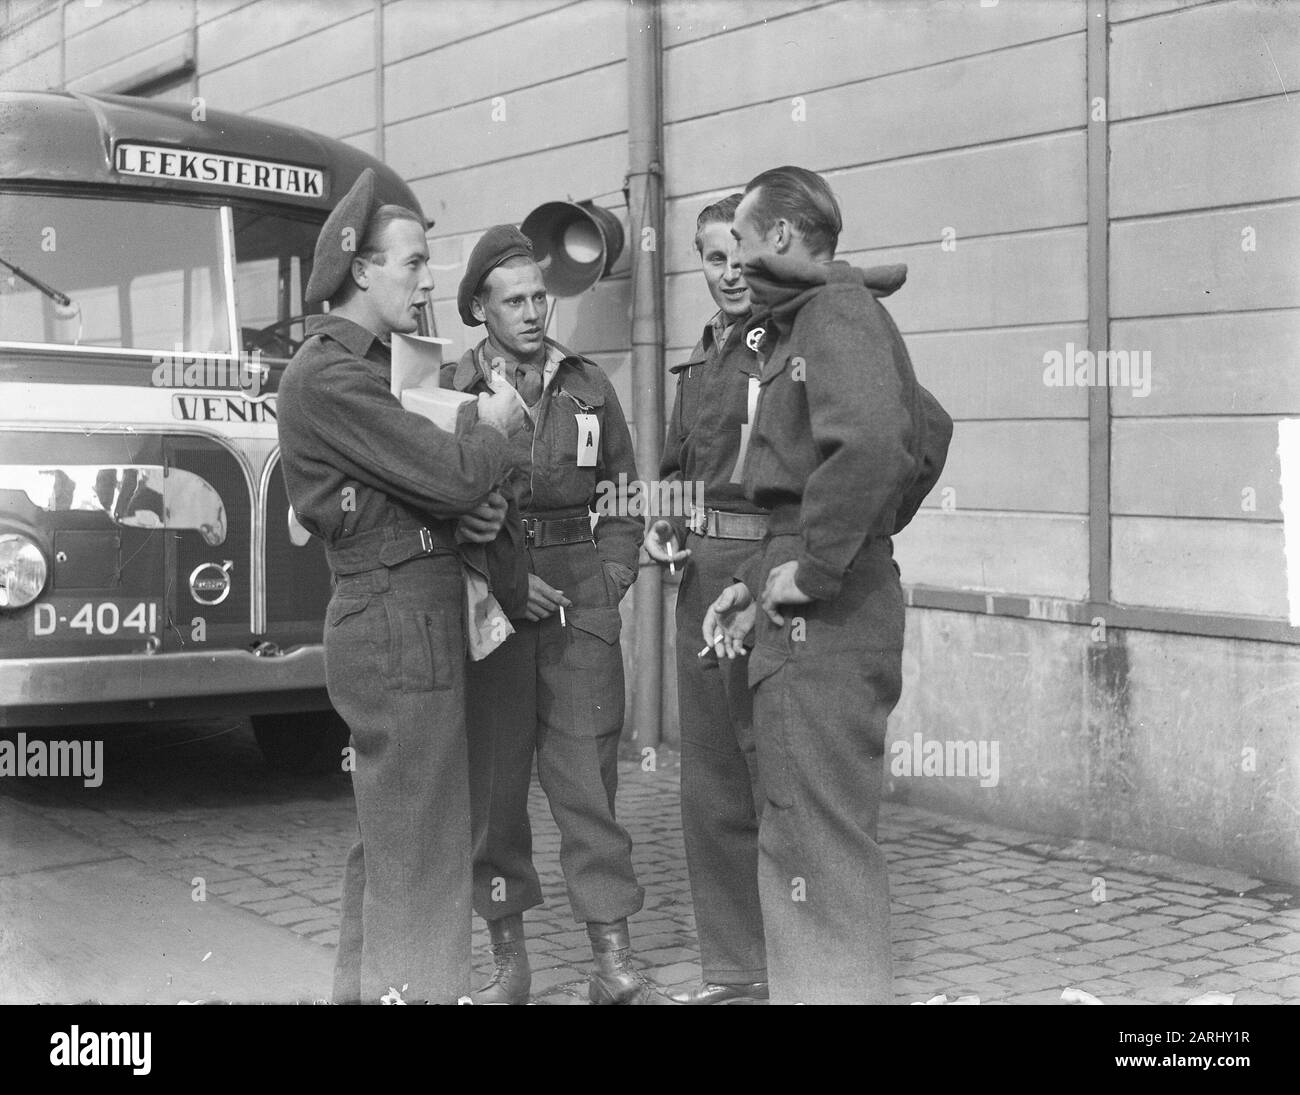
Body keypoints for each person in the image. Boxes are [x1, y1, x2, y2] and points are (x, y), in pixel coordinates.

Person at [276, 169, 525, 1005]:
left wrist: (468, 509)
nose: (428, 280)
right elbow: (452, 472)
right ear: (361, 270)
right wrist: (494, 430)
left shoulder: (388, 367)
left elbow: (436, 490)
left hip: (411, 605)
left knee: (397, 831)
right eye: (413, 263)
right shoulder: (331, 376)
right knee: (421, 840)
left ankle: (362, 994)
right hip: (393, 617)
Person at [703, 165, 928, 1005]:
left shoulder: (831, 312)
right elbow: (926, 429)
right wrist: (771, 571)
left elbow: (874, 443)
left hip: (825, 621)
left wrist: (825, 559)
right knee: (818, 838)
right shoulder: (838, 314)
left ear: (784, 238)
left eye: (745, 243)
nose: (737, 265)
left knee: (811, 845)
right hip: (827, 599)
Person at [444, 225, 674, 1005]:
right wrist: (502, 581)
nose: (534, 311)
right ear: (480, 308)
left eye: (540, 296)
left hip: (580, 599)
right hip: (494, 604)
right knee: (498, 793)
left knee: (588, 788)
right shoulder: (451, 391)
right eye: (514, 300)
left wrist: (610, 576)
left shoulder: (588, 385)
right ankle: (510, 966)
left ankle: (612, 963)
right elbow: (436, 507)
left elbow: (622, 493)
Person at [644, 194, 769, 1005]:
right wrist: (661, 522)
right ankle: (736, 969)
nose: (727, 273)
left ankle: (804, 961)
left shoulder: (784, 348)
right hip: (700, 576)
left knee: (776, 775)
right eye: (712, 258)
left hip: (764, 572)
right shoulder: (698, 361)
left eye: (738, 256)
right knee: (712, 780)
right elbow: (674, 467)